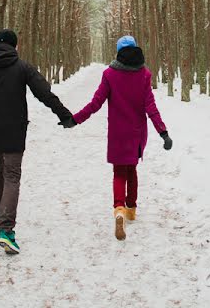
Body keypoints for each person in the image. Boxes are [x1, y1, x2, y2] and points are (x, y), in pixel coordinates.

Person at [0, 29, 73, 255]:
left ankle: (1, 213)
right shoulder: (23, 68)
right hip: (15, 133)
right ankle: (6, 229)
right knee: (11, 176)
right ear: (15, 46)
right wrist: (64, 115)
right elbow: (44, 93)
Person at [64, 35, 172, 241]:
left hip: (117, 133)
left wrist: (75, 120)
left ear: (118, 52)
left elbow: (95, 104)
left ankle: (119, 209)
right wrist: (163, 132)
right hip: (137, 133)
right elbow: (151, 107)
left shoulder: (110, 74)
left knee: (118, 172)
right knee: (132, 169)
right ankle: (131, 208)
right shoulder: (144, 74)